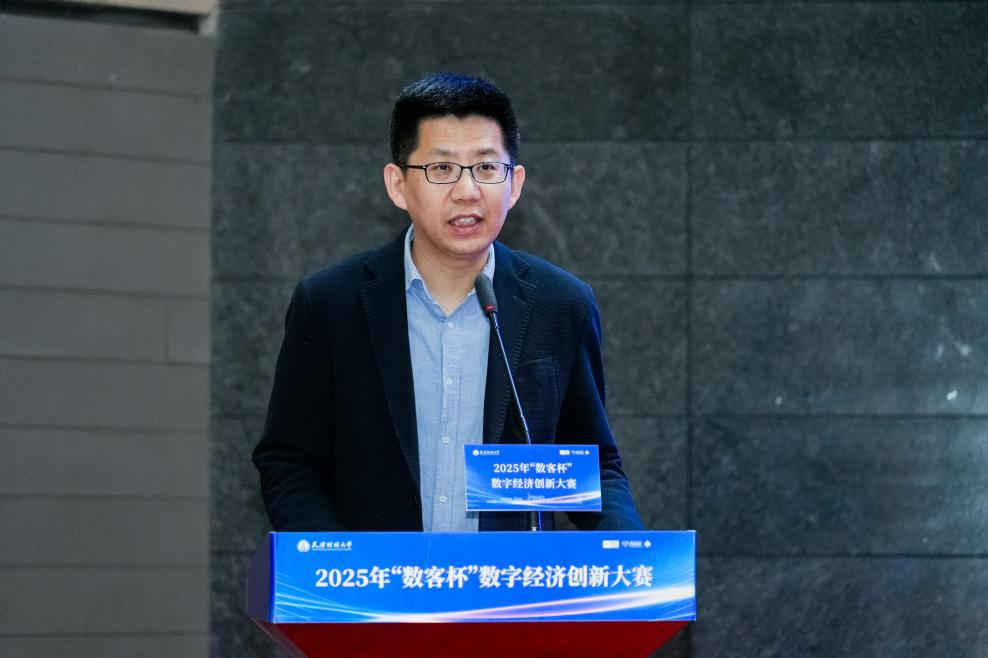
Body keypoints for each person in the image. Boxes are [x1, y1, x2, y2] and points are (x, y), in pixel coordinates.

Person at [253, 73, 643, 533]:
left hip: (507, 578)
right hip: (376, 576)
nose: (467, 191)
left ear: (515, 183)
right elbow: (290, 461)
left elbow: (594, 470)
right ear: (397, 185)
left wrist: (636, 557)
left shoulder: (560, 305)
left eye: (486, 168)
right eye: (441, 169)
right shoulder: (330, 304)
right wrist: (338, 564)